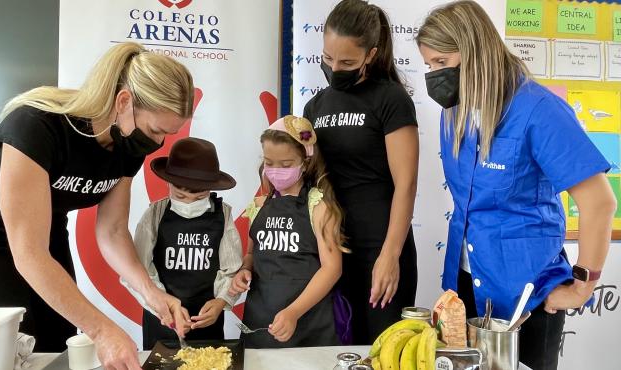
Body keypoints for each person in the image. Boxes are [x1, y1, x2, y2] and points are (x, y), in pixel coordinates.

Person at [0, 42, 195, 370]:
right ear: (124, 101)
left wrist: (151, 292)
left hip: (47, 229)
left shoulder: (129, 145)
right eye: (156, 130)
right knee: (4, 346)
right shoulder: (36, 126)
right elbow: (29, 254)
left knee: (58, 338)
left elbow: (113, 231)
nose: (157, 144)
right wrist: (103, 331)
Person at [416, 2, 616, 369]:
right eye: (429, 65)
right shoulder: (454, 114)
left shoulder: (538, 109)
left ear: (473, 50)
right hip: (464, 287)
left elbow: (600, 202)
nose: (434, 75)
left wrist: (583, 285)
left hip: (527, 297)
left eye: (442, 62)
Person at [302, 0, 419, 344]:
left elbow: (406, 184)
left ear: (371, 54)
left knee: (382, 352)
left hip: (379, 248)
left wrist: (390, 254)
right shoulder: (315, 106)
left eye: (348, 62)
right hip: (331, 253)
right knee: (336, 351)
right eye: (328, 59)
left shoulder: (391, 99)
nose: (336, 68)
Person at [229, 115, 346, 348]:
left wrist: (294, 311)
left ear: (306, 161)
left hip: (308, 323)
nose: (275, 171)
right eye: (269, 163)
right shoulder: (260, 205)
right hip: (261, 320)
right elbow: (252, 255)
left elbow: (332, 268)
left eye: (286, 165)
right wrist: (244, 270)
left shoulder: (319, 206)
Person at [125, 137, 243, 350]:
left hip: (207, 319)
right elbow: (138, 269)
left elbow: (231, 269)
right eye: (180, 195)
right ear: (168, 183)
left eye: (199, 198)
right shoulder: (155, 214)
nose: (189, 203)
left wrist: (221, 301)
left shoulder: (223, 215)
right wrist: (162, 304)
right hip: (161, 319)